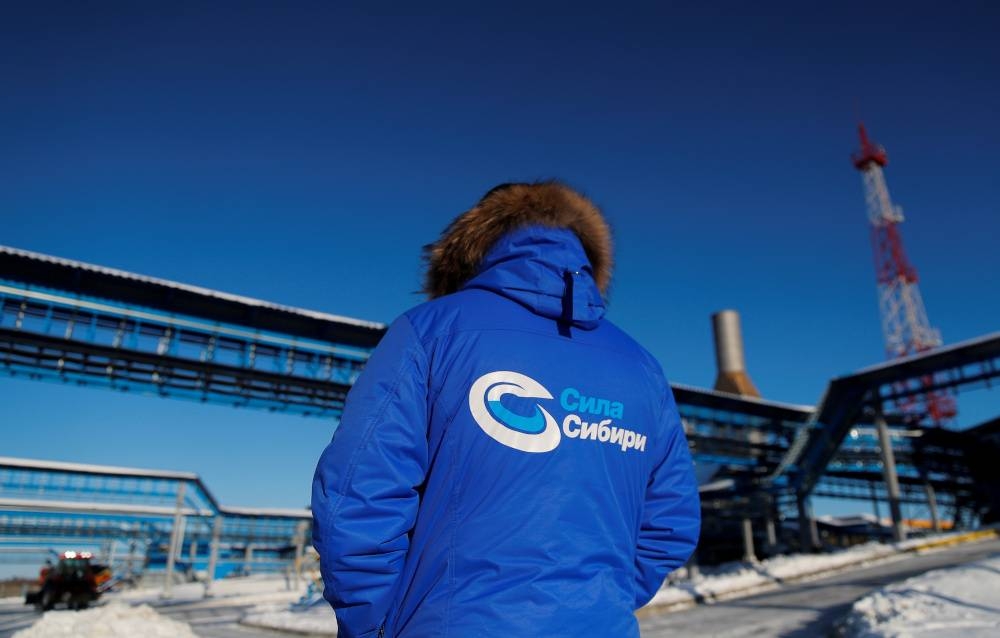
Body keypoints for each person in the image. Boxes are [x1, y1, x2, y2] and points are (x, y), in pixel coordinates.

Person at [312, 181, 700, 638]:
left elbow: (360, 500)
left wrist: (372, 627)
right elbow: (670, 521)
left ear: (469, 249)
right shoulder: (641, 368)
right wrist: (597, 603)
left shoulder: (429, 332)